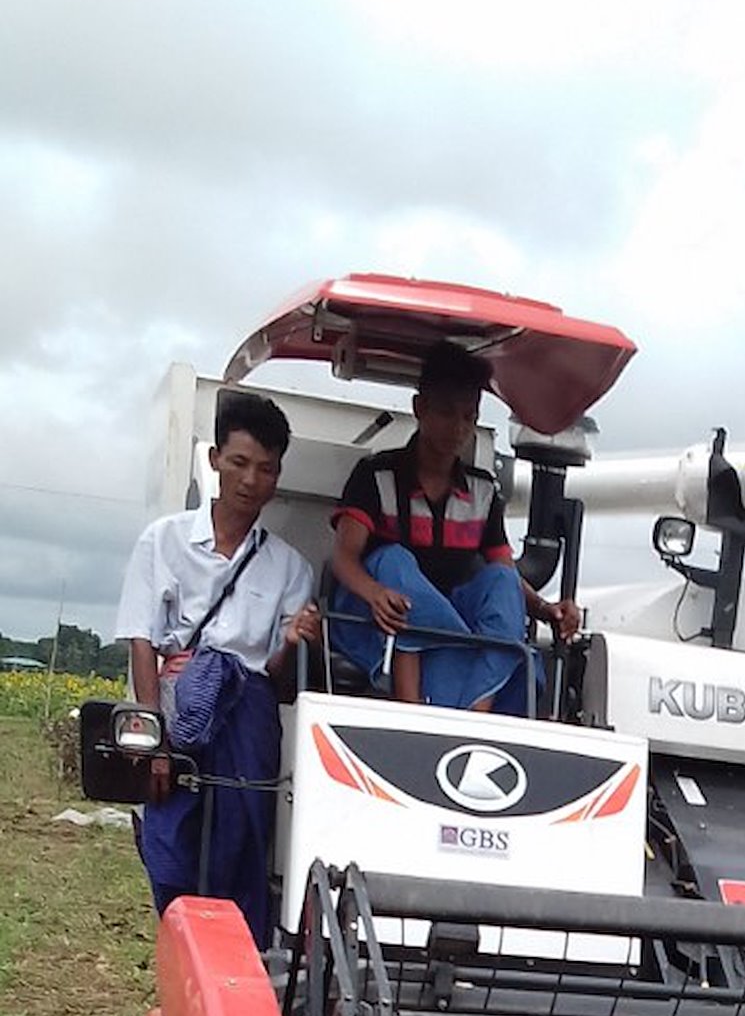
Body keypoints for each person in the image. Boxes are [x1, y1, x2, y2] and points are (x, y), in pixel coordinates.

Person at [115, 389, 320, 948]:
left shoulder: (290, 567)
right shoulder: (164, 541)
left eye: (266, 469)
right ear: (214, 460)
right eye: (239, 463)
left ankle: (237, 973)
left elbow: (275, 678)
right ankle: (183, 960)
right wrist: (154, 742)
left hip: (250, 718)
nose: (251, 480)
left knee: (241, 847)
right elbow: (143, 642)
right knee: (171, 845)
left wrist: (293, 643)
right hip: (180, 709)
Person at [328, 339, 579, 713]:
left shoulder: (483, 489)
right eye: (447, 413)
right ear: (420, 409)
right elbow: (343, 560)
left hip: (450, 618)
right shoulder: (376, 474)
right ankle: (411, 711)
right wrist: (375, 593)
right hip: (371, 617)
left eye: (469, 416)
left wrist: (547, 610)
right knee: (394, 562)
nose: (458, 428)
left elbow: (505, 575)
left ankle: (475, 718)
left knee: (501, 582)